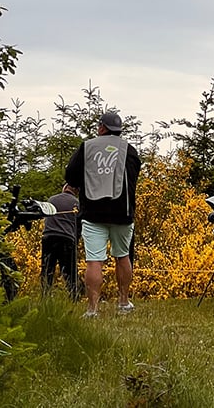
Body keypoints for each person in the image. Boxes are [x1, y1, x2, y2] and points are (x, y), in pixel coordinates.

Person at [65, 111, 142, 318]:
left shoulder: (87, 147)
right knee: (122, 256)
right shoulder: (130, 150)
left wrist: (76, 185)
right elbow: (134, 177)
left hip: (93, 213)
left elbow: (70, 174)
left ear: (101, 127)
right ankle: (124, 302)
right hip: (122, 214)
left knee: (94, 260)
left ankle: (92, 309)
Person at [40, 184, 80, 300]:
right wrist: (76, 240)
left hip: (49, 237)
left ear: (65, 187)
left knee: (47, 270)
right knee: (69, 272)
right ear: (76, 190)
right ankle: (74, 298)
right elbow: (79, 226)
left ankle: (45, 297)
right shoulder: (76, 203)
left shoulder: (52, 199)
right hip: (66, 238)